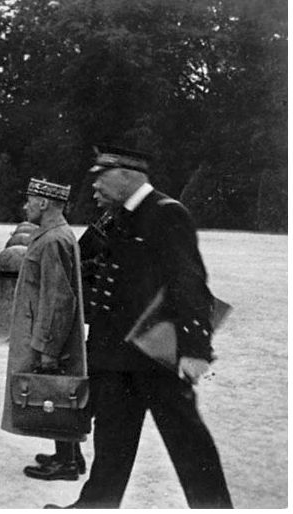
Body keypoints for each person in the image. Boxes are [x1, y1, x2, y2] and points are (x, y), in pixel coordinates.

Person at [46, 145, 232, 509]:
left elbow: (189, 284)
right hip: (116, 358)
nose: (95, 184)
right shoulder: (118, 217)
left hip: (155, 358)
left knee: (190, 448)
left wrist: (195, 351)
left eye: (103, 175)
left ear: (128, 175)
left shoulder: (166, 214)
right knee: (112, 443)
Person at [0, 178, 87, 481]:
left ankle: (67, 464)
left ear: (43, 203)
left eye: (29, 199)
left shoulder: (52, 241)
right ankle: (70, 454)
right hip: (51, 331)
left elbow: (57, 299)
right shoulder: (58, 235)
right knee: (62, 391)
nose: (25, 205)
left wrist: (47, 347)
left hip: (49, 334)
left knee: (55, 392)